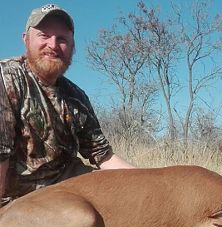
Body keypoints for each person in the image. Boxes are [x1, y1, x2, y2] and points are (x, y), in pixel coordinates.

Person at [0, 4, 134, 204]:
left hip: (68, 188)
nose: (53, 45)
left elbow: (103, 156)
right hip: (20, 200)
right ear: (26, 40)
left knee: (128, 196)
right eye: (44, 36)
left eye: (62, 39)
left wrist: (152, 180)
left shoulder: (76, 96)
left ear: (72, 47)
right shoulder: (6, 78)